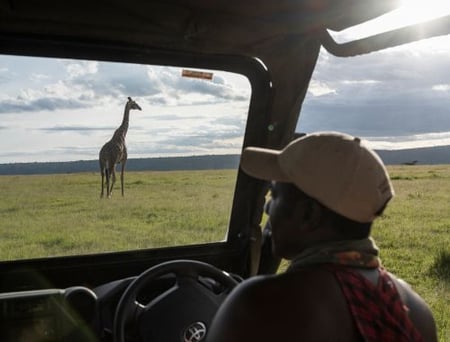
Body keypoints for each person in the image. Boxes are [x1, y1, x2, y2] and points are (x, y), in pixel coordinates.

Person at [206, 132, 438, 342]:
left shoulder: (261, 303)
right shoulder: (417, 311)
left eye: (274, 196)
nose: (267, 208)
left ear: (309, 215)